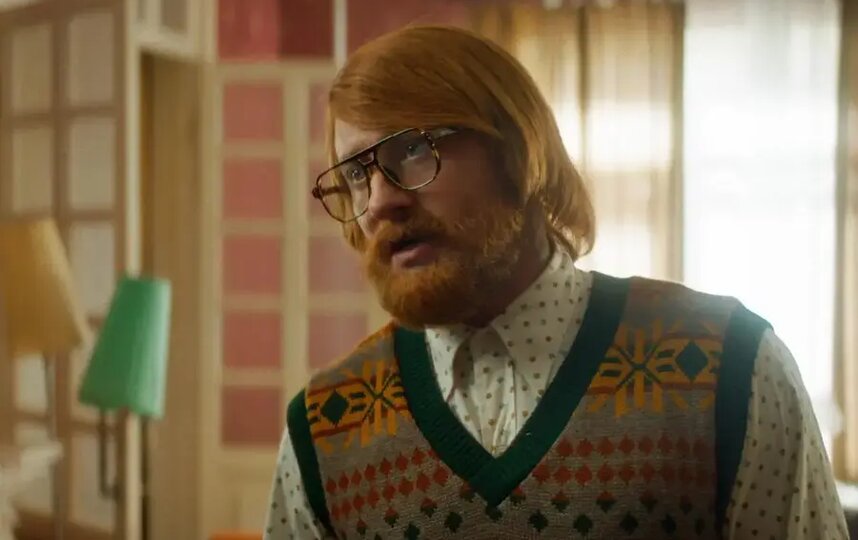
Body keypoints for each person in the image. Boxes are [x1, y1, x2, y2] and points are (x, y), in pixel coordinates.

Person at [264, 25, 848, 539]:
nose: (379, 202)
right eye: (356, 175)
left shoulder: (732, 368)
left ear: (516, 149)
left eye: (413, 149)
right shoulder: (324, 428)